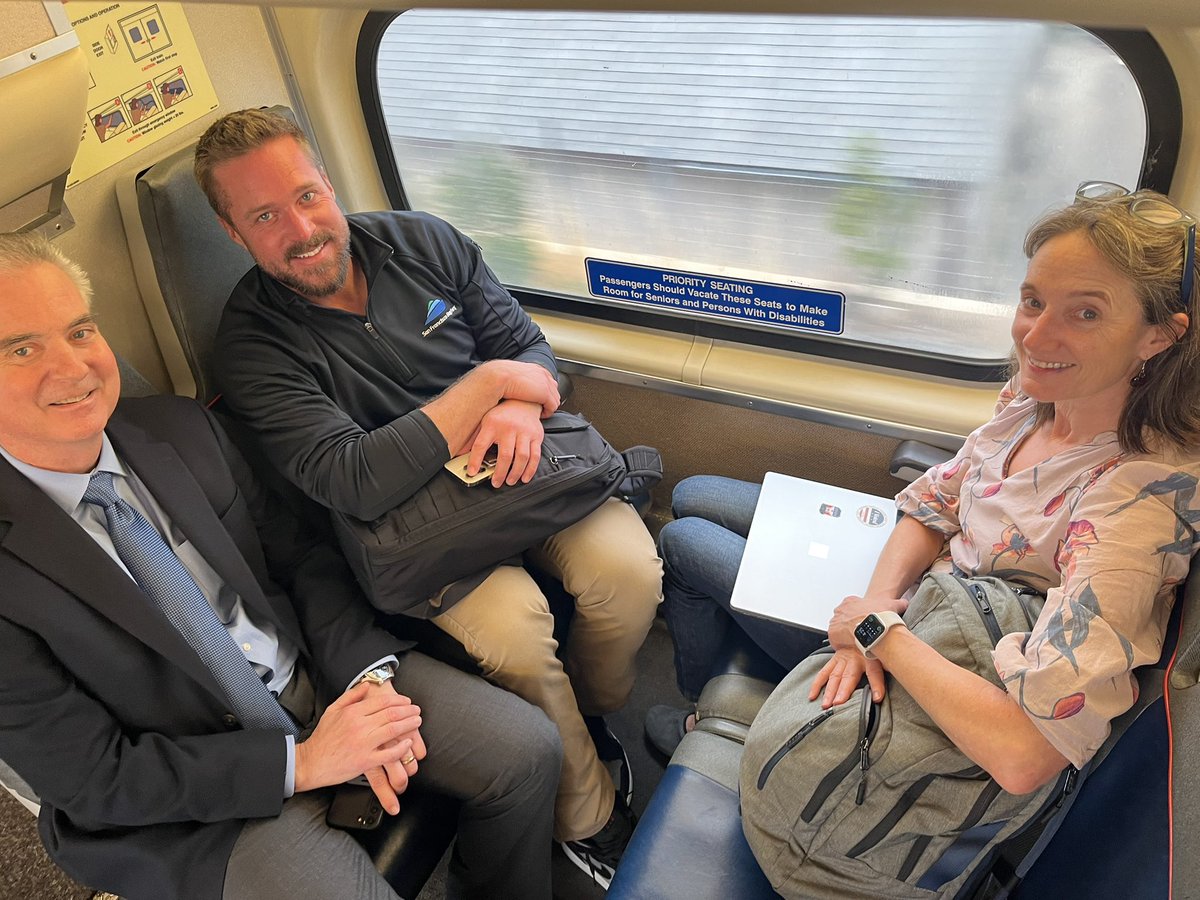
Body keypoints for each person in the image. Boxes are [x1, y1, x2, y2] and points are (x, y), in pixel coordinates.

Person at [0, 232, 561, 900]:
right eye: (22, 348)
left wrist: (367, 676)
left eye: (80, 331)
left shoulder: (181, 429)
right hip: (189, 800)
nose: (74, 368)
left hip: (320, 678)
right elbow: (94, 779)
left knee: (528, 751)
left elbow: (302, 560)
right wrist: (302, 762)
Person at [195, 108, 663, 887]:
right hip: (416, 529)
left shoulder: (425, 242)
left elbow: (529, 349)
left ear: (329, 183)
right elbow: (352, 475)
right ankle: (588, 813)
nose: (302, 229)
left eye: (307, 197)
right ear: (233, 232)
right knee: (516, 630)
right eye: (266, 216)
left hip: (524, 473)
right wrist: (486, 385)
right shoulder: (251, 345)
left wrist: (519, 403)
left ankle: (589, 714)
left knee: (630, 570)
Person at [654, 182, 1200, 794]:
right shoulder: (1035, 395)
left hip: (937, 639)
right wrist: (879, 597)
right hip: (905, 588)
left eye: (1086, 313)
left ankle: (701, 713)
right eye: (1033, 301)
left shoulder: (1136, 500)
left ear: (1160, 335)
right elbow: (935, 500)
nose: (1036, 339)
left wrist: (877, 634)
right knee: (693, 490)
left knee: (683, 541)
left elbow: (1026, 756)